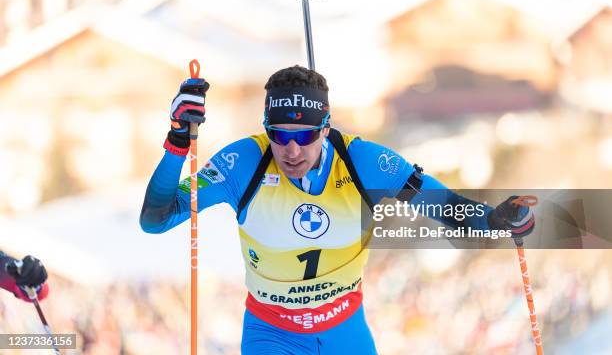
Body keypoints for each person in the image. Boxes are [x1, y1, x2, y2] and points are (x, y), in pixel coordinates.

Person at [140, 66, 535, 354]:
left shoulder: (363, 160)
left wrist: (496, 220)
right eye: (279, 136)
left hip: (345, 331)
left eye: (305, 136)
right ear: (266, 128)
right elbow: (156, 219)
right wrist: (178, 140)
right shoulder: (243, 162)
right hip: (272, 334)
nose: (291, 151)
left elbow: (443, 206)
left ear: (326, 128)